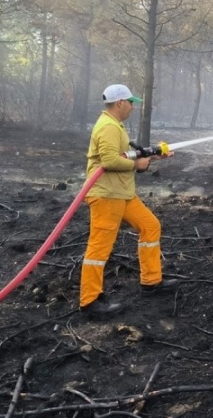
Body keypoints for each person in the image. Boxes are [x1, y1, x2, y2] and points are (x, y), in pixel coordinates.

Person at [79, 83, 178, 317]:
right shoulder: (108, 127)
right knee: (99, 247)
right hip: (106, 195)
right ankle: (90, 301)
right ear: (120, 102)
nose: (133, 107)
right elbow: (109, 162)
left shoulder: (116, 126)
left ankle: (151, 282)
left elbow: (125, 158)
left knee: (150, 226)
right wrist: (136, 164)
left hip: (122, 193)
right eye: (131, 102)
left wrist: (150, 159)